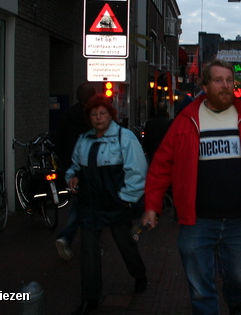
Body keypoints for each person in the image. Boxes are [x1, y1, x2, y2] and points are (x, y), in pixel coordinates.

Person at [142, 60, 241, 315]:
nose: (225, 85)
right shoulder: (186, 120)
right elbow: (161, 166)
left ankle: (234, 300)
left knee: (239, 278)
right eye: (218, 80)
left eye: (229, 80)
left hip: (239, 221)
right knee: (201, 290)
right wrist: (152, 205)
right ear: (205, 85)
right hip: (197, 223)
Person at [66, 94, 148, 315]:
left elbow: (137, 172)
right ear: (89, 117)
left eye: (102, 113)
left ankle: (139, 274)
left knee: (125, 244)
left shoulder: (125, 138)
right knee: (89, 252)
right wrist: (72, 176)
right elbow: (74, 166)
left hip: (115, 205)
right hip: (90, 205)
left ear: (110, 115)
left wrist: (125, 199)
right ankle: (90, 299)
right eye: (94, 114)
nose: (98, 117)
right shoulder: (84, 139)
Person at [54, 82, 96, 261]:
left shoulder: (66, 117)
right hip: (88, 169)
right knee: (87, 206)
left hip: (71, 169)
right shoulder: (92, 118)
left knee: (81, 203)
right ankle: (71, 238)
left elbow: (58, 143)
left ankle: (70, 239)